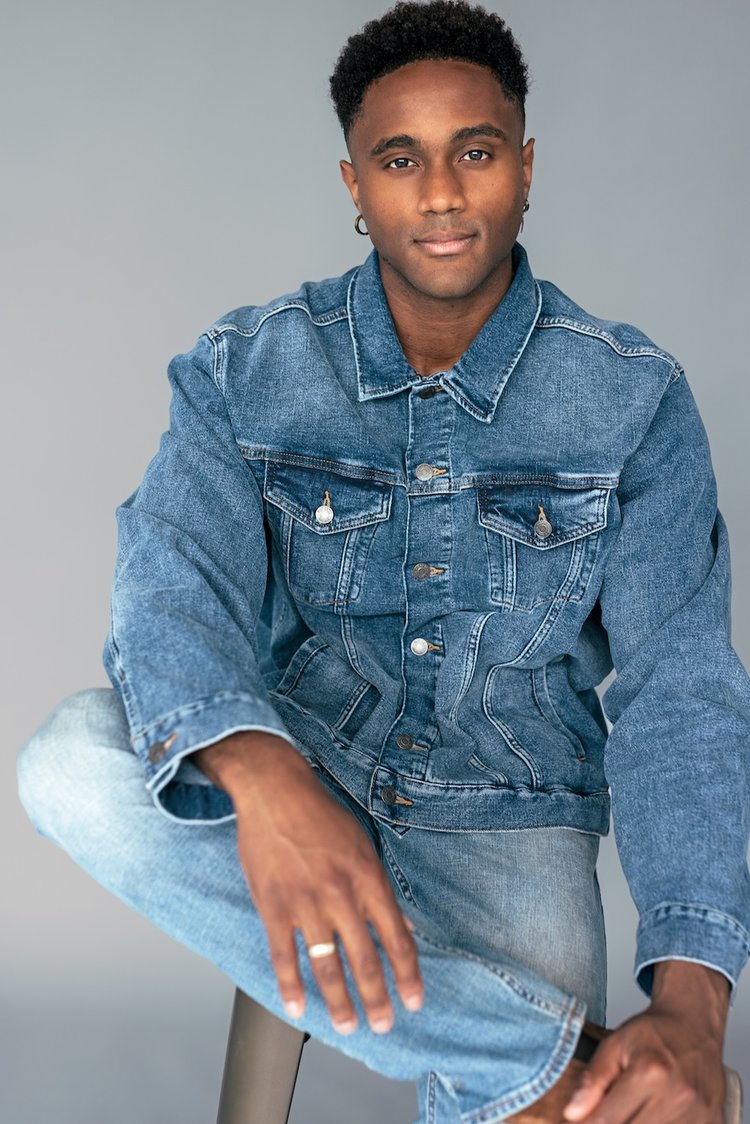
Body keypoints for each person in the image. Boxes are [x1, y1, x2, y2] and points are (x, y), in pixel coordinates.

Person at [16, 2, 750, 1121]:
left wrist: (694, 1009)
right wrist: (266, 779)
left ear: (527, 168)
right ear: (355, 185)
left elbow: (681, 693)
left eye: (476, 152)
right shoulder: (248, 367)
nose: (442, 193)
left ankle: (513, 1053)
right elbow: (172, 585)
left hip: (513, 808)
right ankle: (548, 1063)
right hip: (302, 759)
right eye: (401, 160)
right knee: (70, 760)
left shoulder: (633, 400)